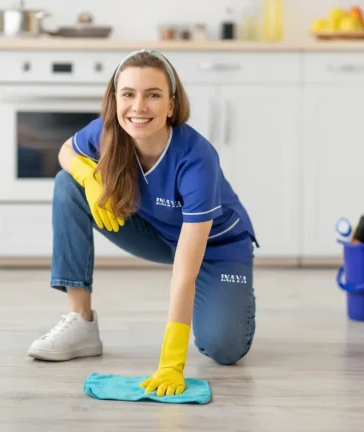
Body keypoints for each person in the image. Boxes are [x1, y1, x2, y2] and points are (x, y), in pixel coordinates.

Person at [27, 48, 258, 397]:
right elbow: (66, 151)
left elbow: (185, 268)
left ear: (171, 104)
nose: (138, 107)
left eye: (153, 95)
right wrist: (89, 178)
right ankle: (81, 322)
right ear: (114, 99)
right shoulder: (107, 133)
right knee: (67, 184)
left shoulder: (197, 159)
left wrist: (172, 360)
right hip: (156, 233)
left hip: (215, 247)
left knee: (225, 349)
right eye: (128, 94)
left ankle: (227, 299)